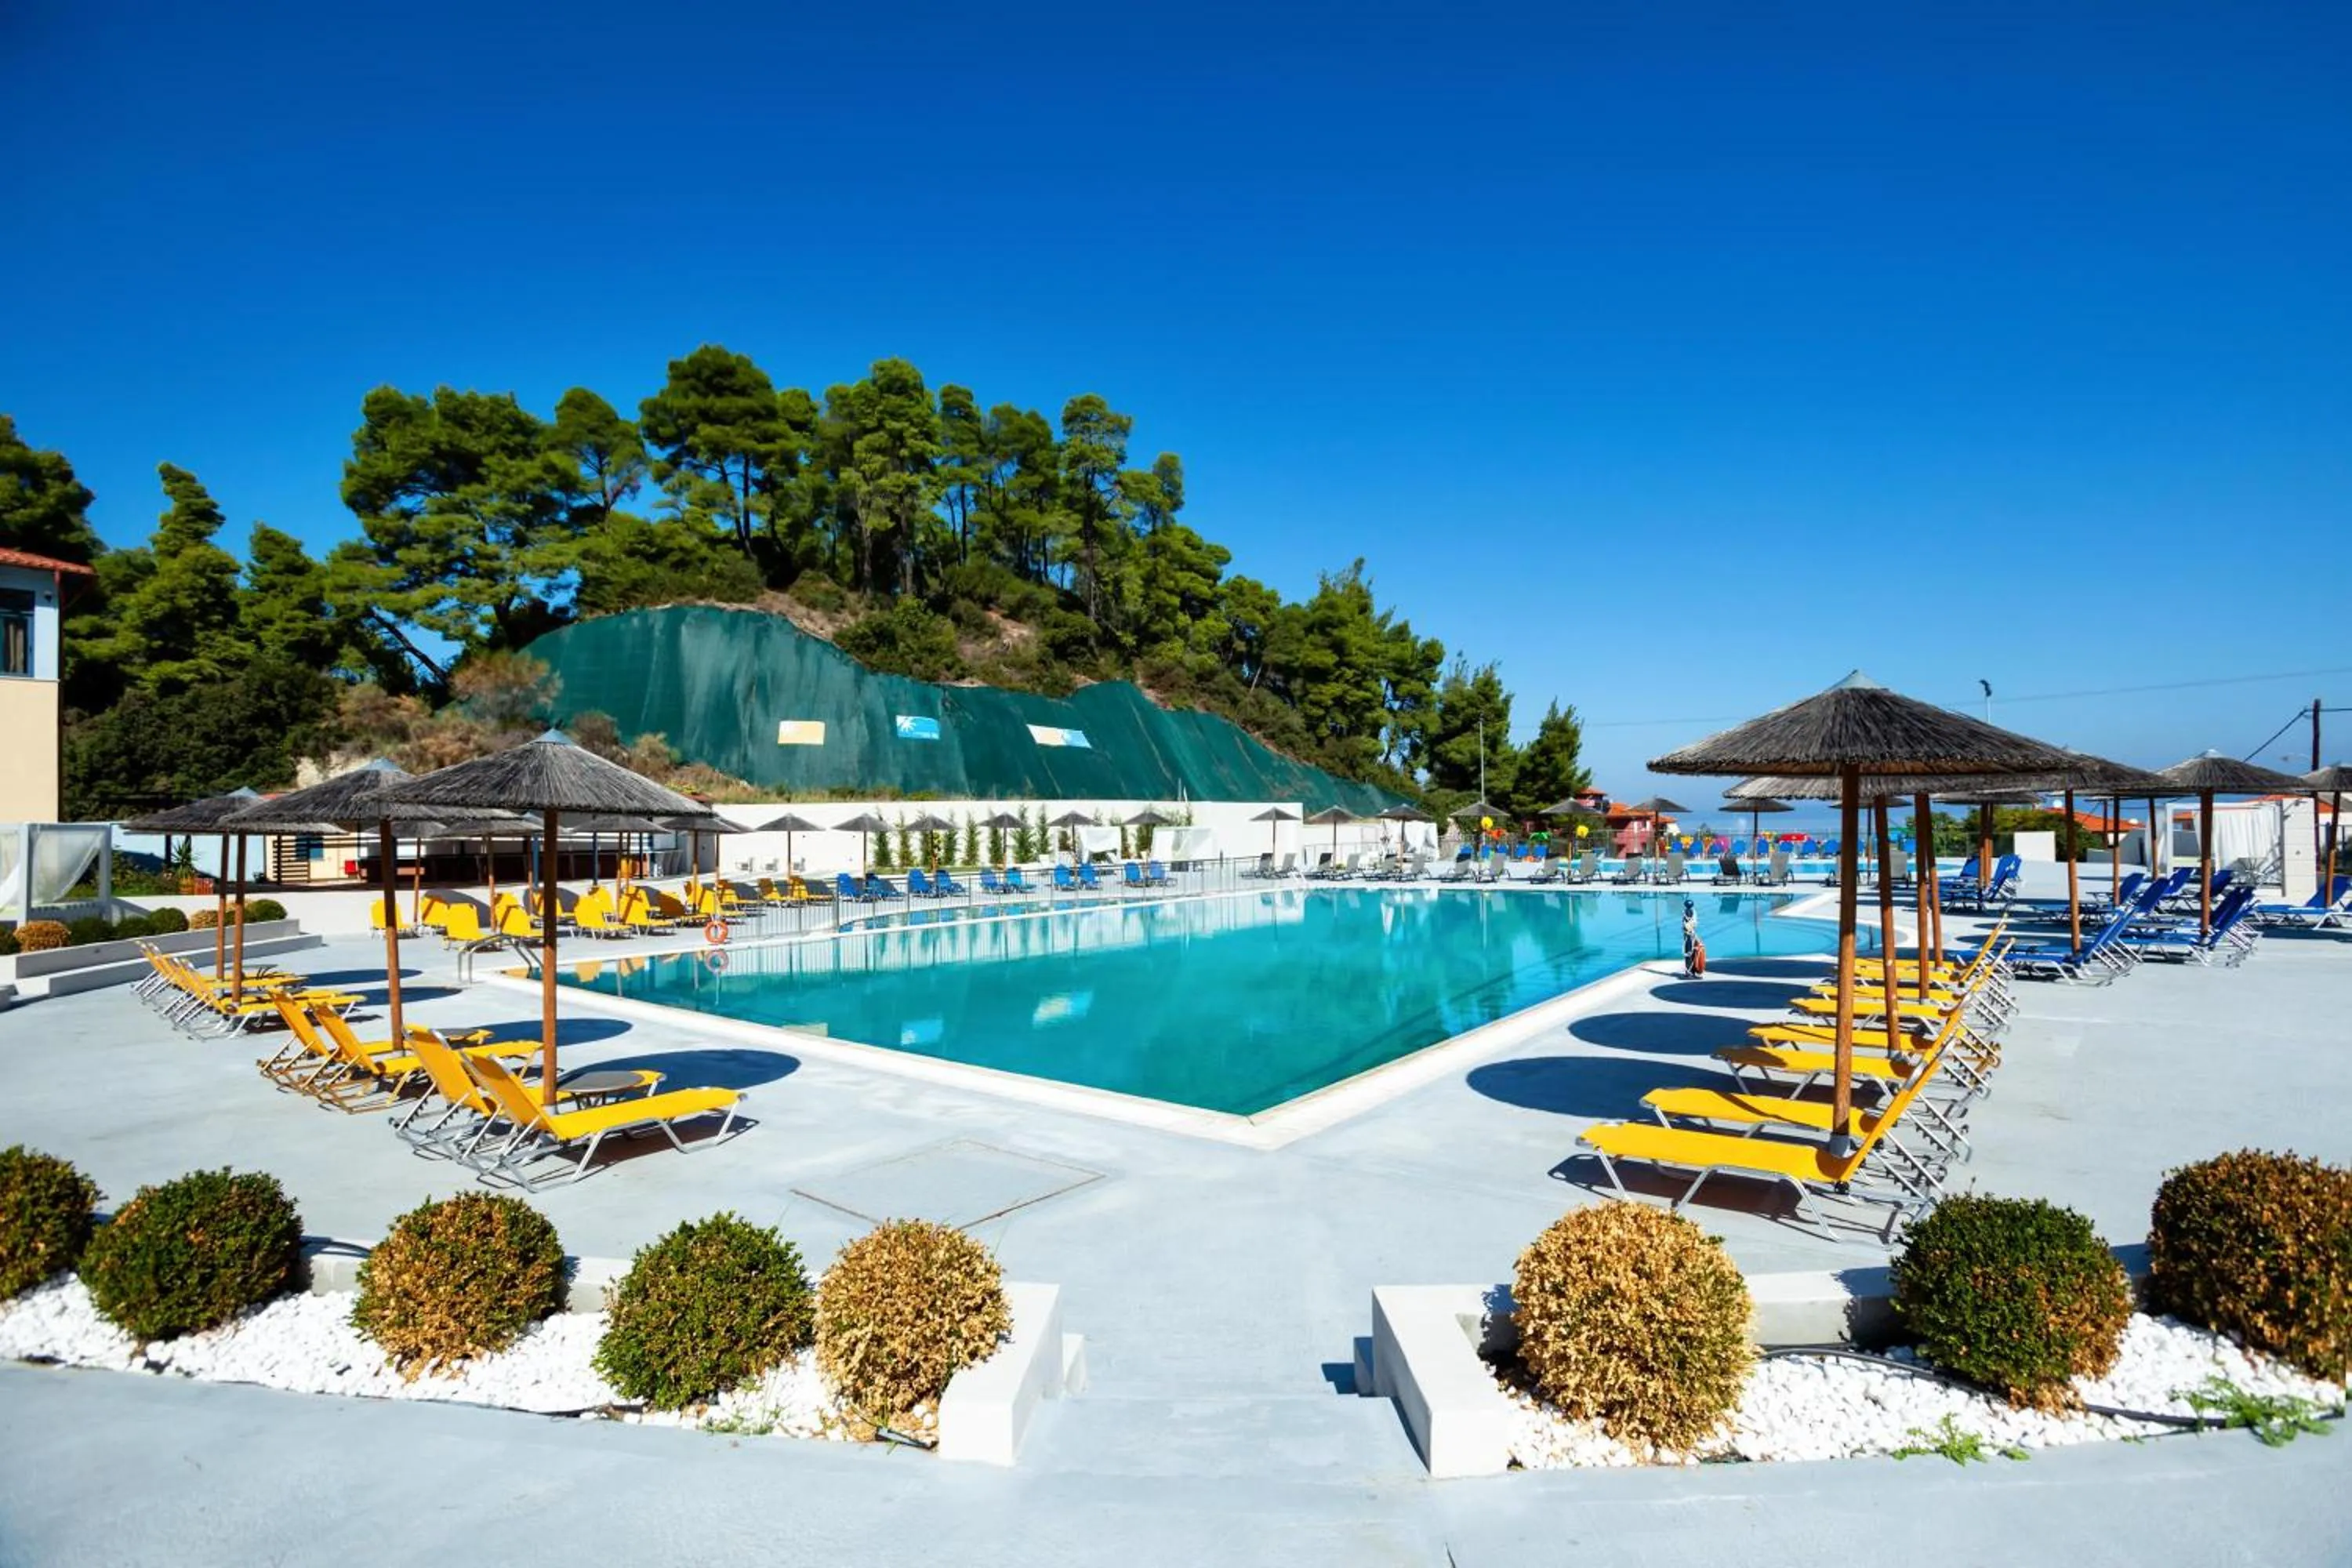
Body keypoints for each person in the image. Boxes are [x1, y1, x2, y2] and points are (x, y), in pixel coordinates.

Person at [1680, 897, 1705, 979]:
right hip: (1690, 934)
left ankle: (1689, 972)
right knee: (1691, 952)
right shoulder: (1691, 912)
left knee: (1689, 952)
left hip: (1689, 935)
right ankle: (1691, 971)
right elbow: (1691, 924)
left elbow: (1687, 925)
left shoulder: (1686, 912)